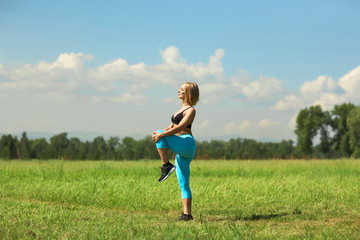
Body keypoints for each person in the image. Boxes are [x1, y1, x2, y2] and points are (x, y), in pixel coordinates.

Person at [152, 81, 199, 221]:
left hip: (187, 143)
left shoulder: (191, 110)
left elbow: (180, 128)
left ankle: (166, 166)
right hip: (181, 149)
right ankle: (187, 215)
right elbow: (172, 126)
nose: (179, 91)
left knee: (161, 135)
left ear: (188, 93)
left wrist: (161, 134)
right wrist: (159, 133)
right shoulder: (180, 109)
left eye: (182, 90)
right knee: (183, 183)